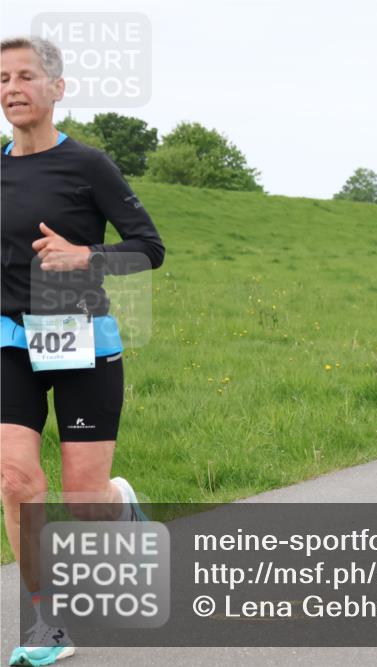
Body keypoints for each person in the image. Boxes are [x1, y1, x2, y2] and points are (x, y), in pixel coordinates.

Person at [1, 36, 165, 666]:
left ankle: (121, 507)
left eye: (26, 76)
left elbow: (148, 248)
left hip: (80, 339)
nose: (12, 88)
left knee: (83, 500)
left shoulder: (88, 165)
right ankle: (47, 623)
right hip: (8, 340)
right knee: (16, 480)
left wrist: (84, 256)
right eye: (1, 79)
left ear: (57, 88)